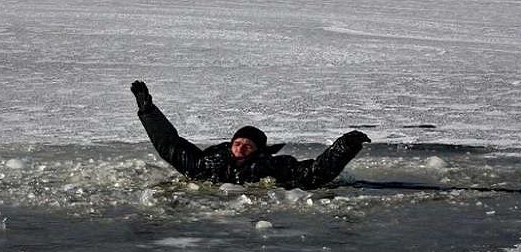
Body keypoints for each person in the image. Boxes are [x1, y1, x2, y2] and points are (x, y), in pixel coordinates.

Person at [131, 80, 370, 190]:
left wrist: (345, 145)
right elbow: (169, 145)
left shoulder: (274, 167)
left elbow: (314, 174)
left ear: (258, 150)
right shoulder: (206, 163)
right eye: (238, 143)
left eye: (248, 145)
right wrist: (147, 110)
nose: (241, 148)